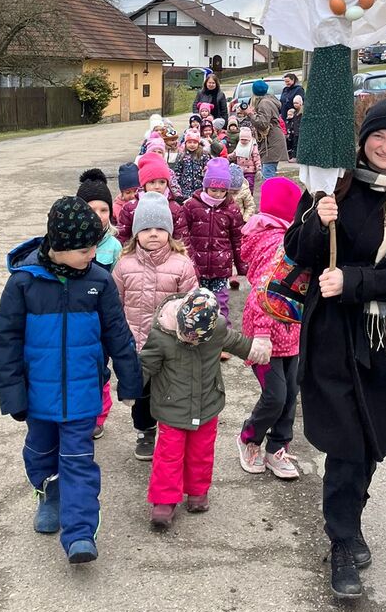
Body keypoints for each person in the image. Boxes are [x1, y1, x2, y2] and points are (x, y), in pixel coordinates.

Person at [283, 99, 386, 601]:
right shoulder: (335, 184)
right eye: (378, 136)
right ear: (363, 139)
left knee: (373, 435)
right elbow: (296, 249)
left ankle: (351, 518)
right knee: (346, 440)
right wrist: (316, 218)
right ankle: (342, 540)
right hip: (332, 332)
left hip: (384, 334)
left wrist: (353, 282)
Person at [0, 196, 141, 564]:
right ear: (59, 247)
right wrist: (13, 395)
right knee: (40, 452)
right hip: (38, 395)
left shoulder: (99, 282)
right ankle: (49, 493)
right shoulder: (23, 283)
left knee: (78, 460)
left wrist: (130, 381)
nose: (93, 255)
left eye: (95, 247)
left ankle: (80, 533)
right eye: (84, 249)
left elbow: (118, 334)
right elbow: (6, 342)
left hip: (82, 392)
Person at [141, 288, 270, 528]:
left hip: (207, 403)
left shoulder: (216, 328)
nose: (191, 341)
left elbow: (235, 341)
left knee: (201, 452)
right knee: (169, 455)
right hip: (171, 407)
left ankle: (198, 491)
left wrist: (255, 349)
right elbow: (146, 364)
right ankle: (164, 500)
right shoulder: (162, 335)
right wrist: (131, 388)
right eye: (187, 336)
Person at [112, 192, 197, 460]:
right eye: (146, 228)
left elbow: (191, 305)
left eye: (159, 228)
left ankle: (171, 432)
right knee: (142, 393)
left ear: (169, 232)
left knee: (171, 391)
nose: (153, 234)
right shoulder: (124, 265)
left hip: (172, 346)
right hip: (137, 345)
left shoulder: (182, 265)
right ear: (136, 233)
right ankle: (145, 431)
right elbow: (115, 305)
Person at [236, 176, 304, 480]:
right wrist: (262, 335)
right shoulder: (276, 243)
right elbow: (264, 292)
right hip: (263, 336)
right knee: (275, 396)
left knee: (290, 395)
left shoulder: (290, 237)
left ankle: (278, 447)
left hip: (291, 333)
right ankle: (249, 438)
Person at [76, 169, 125, 440]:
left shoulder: (114, 247)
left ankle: (98, 415)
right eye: (90, 209)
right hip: (76, 318)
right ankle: (80, 411)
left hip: (102, 320)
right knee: (79, 368)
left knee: (100, 368)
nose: (98, 215)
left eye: (104, 209)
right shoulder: (69, 244)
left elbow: (119, 285)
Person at [183, 157, 244, 320]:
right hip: (197, 264)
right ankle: (198, 330)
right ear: (206, 186)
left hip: (221, 266)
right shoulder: (191, 206)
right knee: (197, 302)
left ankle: (222, 330)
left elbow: (237, 239)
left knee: (220, 302)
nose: (218, 194)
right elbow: (183, 234)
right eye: (214, 189)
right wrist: (187, 257)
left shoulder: (232, 209)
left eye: (222, 191)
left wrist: (242, 265)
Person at [116, 153, 190, 249]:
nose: (157, 187)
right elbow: (122, 238)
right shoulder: (131, 208)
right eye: (152, 182)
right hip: (137, 255)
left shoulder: (174, 208)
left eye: (162, 182)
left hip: (168, 256)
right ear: (144, 184)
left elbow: (182, 240)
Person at [250, 79, 288, 182]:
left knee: (268, 176)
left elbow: (263, 124)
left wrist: (250, 114)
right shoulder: (268, 100)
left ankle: (270, 193)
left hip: (271, 142)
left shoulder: (264, 103)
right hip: (271, 140)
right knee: (268, 173)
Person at [174, 129, 209, 201]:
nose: (192, 145)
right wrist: (178, 185)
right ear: (185, 143)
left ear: (198, 144)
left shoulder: (203, 155)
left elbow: (207, 169)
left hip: (199, 187)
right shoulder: (181, 155)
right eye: (189, 142)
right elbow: (178, 171)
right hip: (185, 188)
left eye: (195, 142)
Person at [231, 122, 262, 193]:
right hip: (240, 170)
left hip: (250, 170)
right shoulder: (239, 146)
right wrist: (229, 157)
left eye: (245, 140)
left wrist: (258, 168)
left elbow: (256, 157)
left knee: (249, 184)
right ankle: (242, 195)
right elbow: (235, 153)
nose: (243, 141)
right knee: (241, 185)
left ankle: (249, 194)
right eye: (242, 139)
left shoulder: (252, 146)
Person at [111, 163, 141, 229]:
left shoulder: (144, 203)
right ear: (122, 193)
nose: (133, 195)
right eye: (128, 192)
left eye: (136, 191)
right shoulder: (116, 208)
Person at [285, 95, 304, 160]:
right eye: (294, 103)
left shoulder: (302, 113)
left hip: (300, 131)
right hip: (295, 131)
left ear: (301, 103)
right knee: (294, 145)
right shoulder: (295, 112)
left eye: (297, 103)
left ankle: (296, 157)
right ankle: (294, 157)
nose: (295, 105)